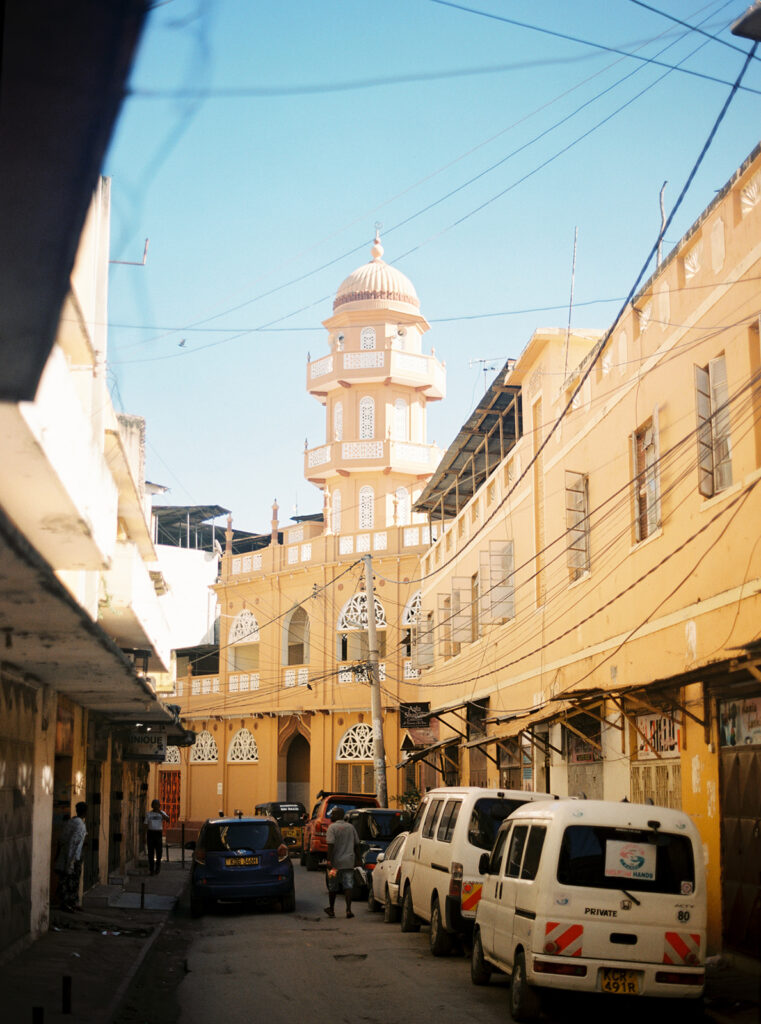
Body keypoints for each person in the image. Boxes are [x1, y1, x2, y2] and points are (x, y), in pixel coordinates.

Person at [324, 806, 360, 919]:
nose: (331, 816)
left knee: (332, 886)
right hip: (349, 862)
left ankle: (332, 909)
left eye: (333, 814)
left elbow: (330, 844)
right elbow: (357, 844)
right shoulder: (351, 827)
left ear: (338, 816)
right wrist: (358, 859)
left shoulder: (332, 828)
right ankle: (348, 910)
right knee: (348, 886)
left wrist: (329, 860)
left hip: (335, 864)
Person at [55, 802, 87, 911]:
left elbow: (62, 839)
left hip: (67, 855)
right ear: (84, 812)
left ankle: (71, 902)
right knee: (70, 880)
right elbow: (74, 844)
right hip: (73, 857)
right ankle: (67, 903)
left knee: (67, 879)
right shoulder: (80, 825)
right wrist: (71, 861)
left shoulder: (71, 822)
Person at [145, 799, 170, 875]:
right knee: (150, 852)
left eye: (157, 805)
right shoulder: (148, 814)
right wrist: (144, 836)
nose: (156, 806)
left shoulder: (162, 813)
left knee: (159, 852)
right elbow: (145, 825)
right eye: (154, 804)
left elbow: (168, 819)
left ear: (159, 806)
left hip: (158, 834)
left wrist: (160, 813)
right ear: (152, 806)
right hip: (151, 833)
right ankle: (151, 870)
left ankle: (158, 868)